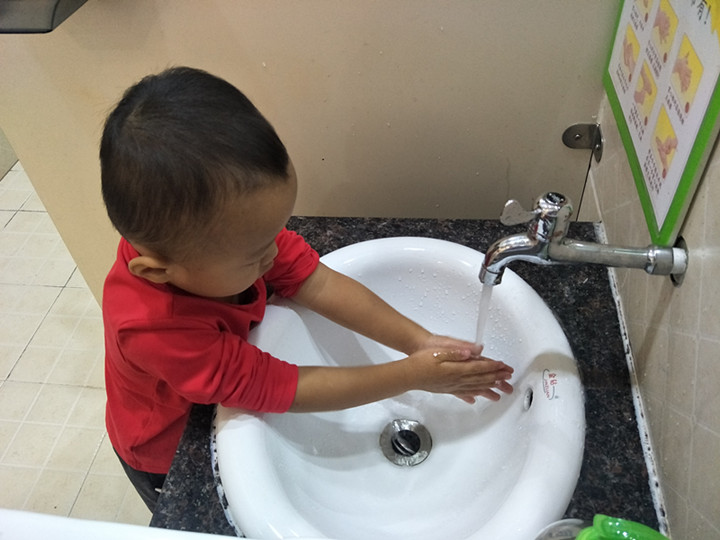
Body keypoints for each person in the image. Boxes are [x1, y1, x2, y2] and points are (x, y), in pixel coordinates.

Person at [99, 66, 514, 512]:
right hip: (168, 447)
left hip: (212, 390)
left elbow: (315, 280)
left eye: (275, 232)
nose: (273, 253)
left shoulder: (220, 242)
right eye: (255, 254)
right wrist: (414, 375)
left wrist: (419, 341)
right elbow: (284, 388)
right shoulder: (154, 329)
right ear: (158, 272)